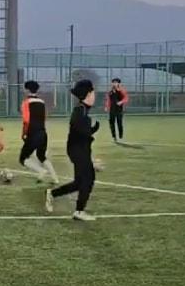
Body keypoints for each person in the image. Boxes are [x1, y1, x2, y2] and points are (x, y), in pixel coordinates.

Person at [46, 79, 100, 221]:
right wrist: (92, 160)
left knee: (79, 182)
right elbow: (80, 132)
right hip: (78, 150)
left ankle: (52, 194)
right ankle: (79, 211)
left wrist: (91, 130)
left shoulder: (82, 110)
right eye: (93, 93)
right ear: (88, 94)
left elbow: (81, 132)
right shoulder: (80, 111)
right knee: (88, 179)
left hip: (78, 149)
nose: (95, 96)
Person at [19, 80, 59, 184]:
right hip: (43, 133)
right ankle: (55, 178)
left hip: (33, 133)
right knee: (41, 156)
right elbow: (44, 117)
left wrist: (24, 133)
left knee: (23, 159)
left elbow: (26, 120)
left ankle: (41, 171)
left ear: (27, 90)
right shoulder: (42, 102)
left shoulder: (25, 103)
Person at [105, 78, 129, 143]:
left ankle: (120, 135)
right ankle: (114, 136)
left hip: (119, 110)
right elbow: (108, 100)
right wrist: (107, 107)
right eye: (113, 82)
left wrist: (121, 102)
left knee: (119, 123)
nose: (114, 83)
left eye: (116, 82)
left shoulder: (122, 91)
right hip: (112, 109)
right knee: (111, 123)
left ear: (119, 83)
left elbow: (126, 98)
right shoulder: (110, 92)